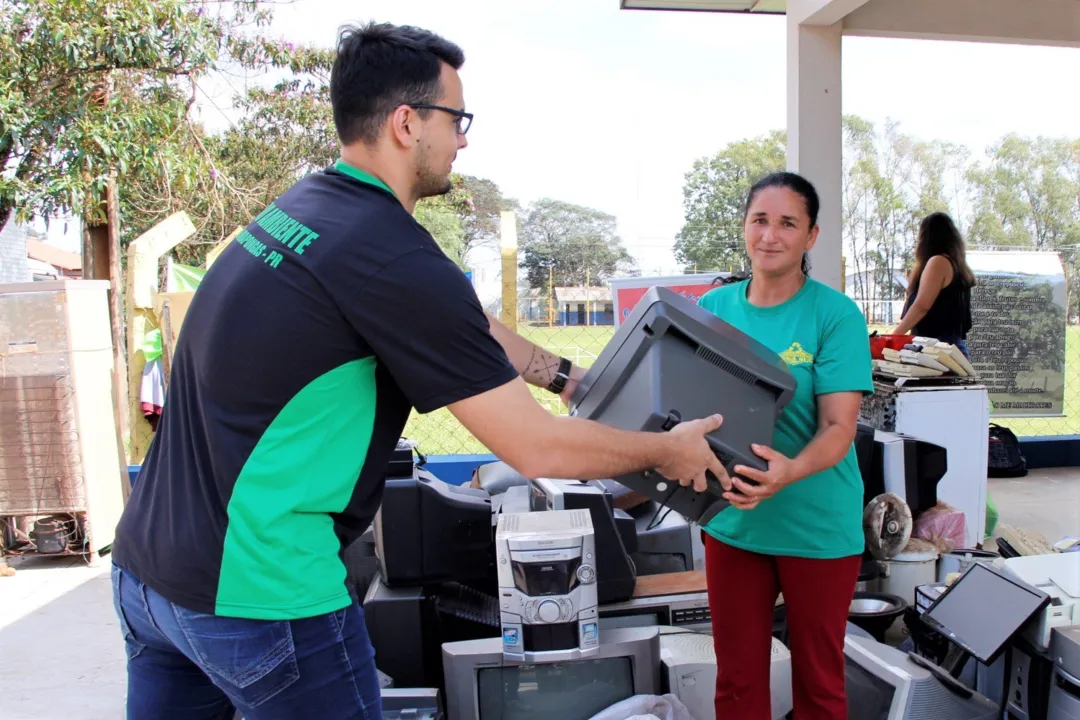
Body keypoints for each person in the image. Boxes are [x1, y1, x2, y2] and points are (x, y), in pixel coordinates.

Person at [109, 22, 729, 720]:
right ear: (407, 123)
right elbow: (536, 447)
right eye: (456, 119)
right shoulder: (394, 257)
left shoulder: (305, 213)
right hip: (261, 594)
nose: (463, 139)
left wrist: (573, 381)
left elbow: (469, 328)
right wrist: (666, 450)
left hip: (149, 575)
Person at [696, 172, 874, 720]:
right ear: (744, 227)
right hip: (734, 522)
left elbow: (839, 428)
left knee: (820, 685)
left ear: (811, 236)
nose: (770, 235)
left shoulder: (834, 315)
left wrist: (787, 473)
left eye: (787, 223)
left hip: (816, 523)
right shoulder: (712, 309)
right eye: (760, 220)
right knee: (737, 683)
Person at [891, 211, 976, 357]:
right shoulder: (955, 265)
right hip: (947, 349)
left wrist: (893, 337)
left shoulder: (938, 262)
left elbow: (922, 305)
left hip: (937, 351)